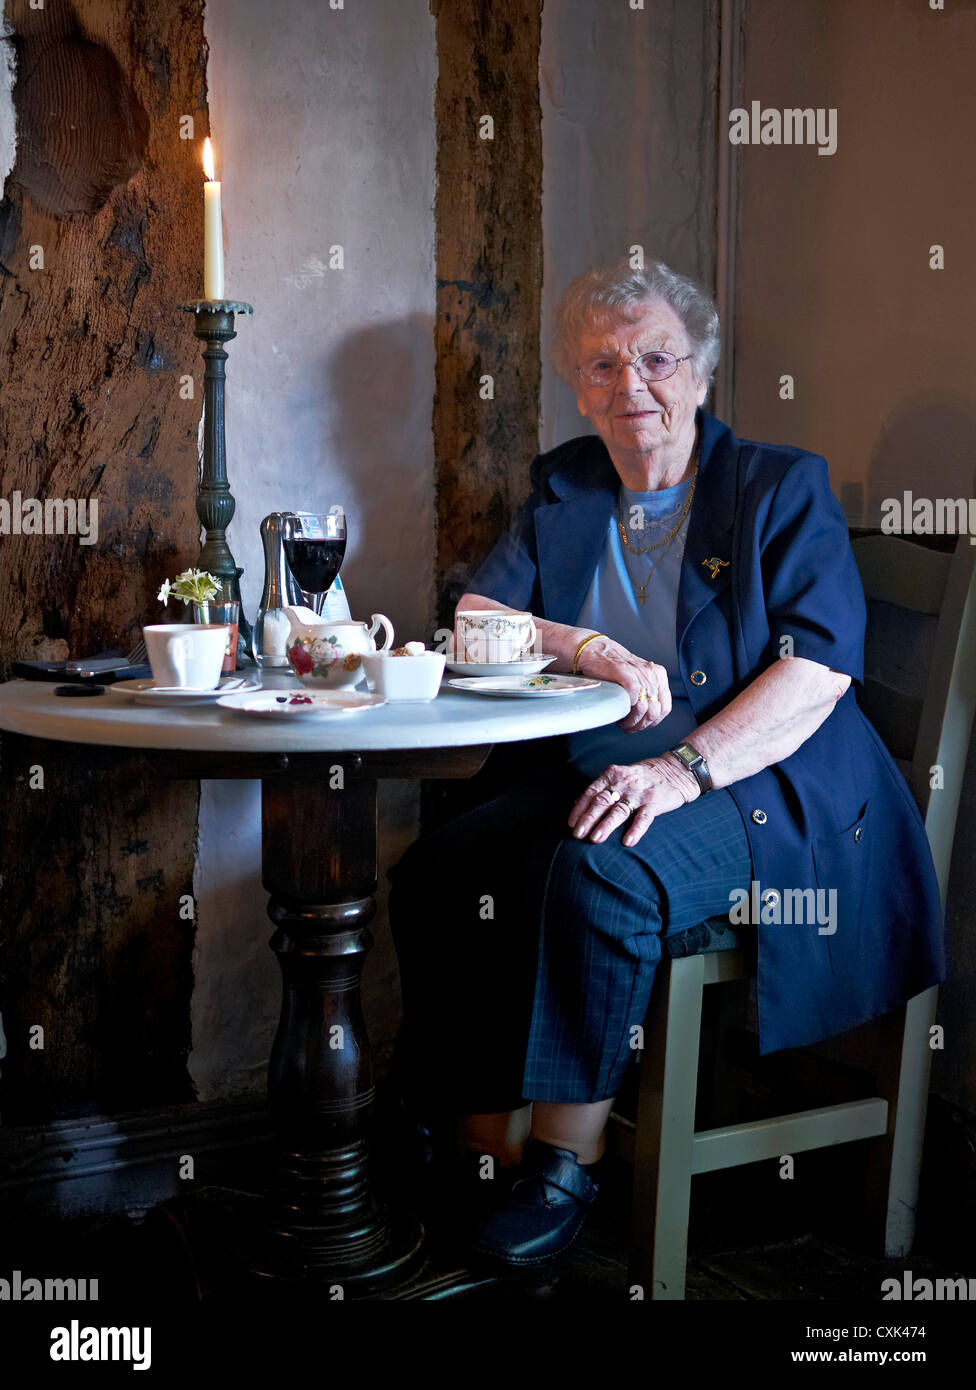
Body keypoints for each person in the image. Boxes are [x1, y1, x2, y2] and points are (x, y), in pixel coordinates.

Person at [387, 259, 944, 1271]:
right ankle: (483, 1145)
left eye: (655, 357)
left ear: (701, 371)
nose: (629, 383)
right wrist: (588, 647)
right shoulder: (567, 484)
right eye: (601, 363)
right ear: (575, 381)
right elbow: (477, 622)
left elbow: (817, 672)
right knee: (446, 867)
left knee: (596, 874)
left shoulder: (776, 485)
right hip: (602, 764)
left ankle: (564, 1167)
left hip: (770, 783)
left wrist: (683, 768)